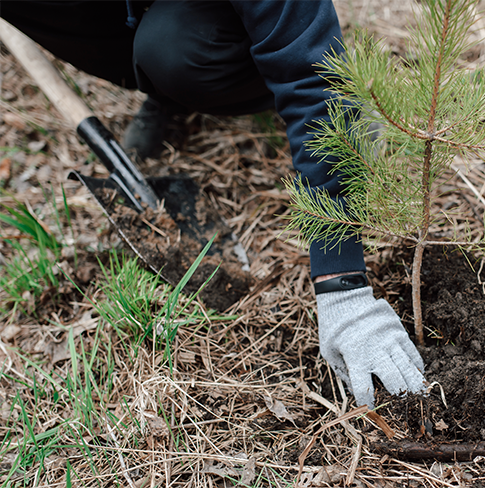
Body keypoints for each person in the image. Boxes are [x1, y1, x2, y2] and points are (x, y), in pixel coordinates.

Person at [0, 0, 426, 408]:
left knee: (173, 50)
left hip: (239, 24)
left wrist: (341, 282)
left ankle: (220, 70)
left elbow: (311, 76)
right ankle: (164, 81)